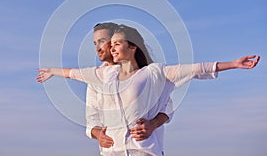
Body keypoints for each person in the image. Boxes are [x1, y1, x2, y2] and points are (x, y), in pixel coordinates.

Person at [36, 24, 260, 155]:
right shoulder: (101, 75)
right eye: (98, 43)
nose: (102, 47)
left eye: (108, 41)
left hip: (143, 151)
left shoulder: (153, 73)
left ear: (131, 46)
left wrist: (233, 64)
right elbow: (75, 79)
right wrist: (97, 134)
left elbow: (194, 70)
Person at [87, 23, 172, 153]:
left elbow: (167, 107)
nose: (97, 48)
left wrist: (152, 125)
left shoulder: (146, 75)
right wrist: (98, 134)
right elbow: (91, 120)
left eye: (102, 41)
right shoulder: (96, 79)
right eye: (95, 43)